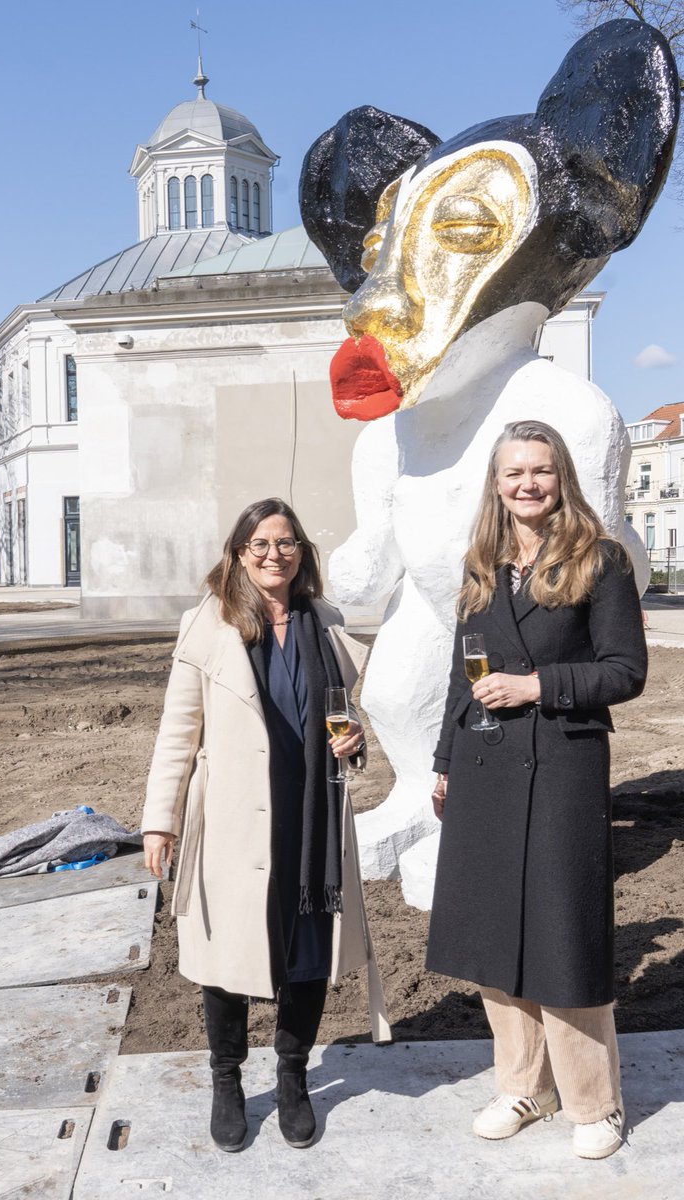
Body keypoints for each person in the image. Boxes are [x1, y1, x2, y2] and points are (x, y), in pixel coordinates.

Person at [426, 420, 647, 1161]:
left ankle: (594, 1101)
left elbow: (626, 672)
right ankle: (525, 1084)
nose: (528, 484)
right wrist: (444, 761)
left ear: (562, 478)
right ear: (495, 484)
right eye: (515, 472)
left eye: (542, 471)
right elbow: (461, 678)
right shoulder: (483, 566)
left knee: (563, 932)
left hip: (561, 769)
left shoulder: (601, 561)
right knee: (494, 931)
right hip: (484, 771)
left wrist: (539, 686)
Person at [142, 498, 390, 1153]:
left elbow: (341, 718)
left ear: (302, 553)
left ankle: (291, 1080)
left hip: (310, 822)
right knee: (227, 956)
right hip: (230, 823)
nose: (272, 555)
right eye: (260, 544)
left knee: (305, 955)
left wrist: (352, 741)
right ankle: (227, 1082)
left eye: (285, 544)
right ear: (238, 552)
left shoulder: (326, 626)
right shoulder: (208, 626)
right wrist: (158, 823)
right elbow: (177, 732)